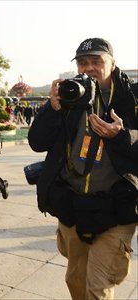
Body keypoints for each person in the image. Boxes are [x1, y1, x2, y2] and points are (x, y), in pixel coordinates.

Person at [28, 37, 137, 299]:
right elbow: (37, 142)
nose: (88, 68)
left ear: (112, 63)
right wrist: (52, 110)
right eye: (82, 63)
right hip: (73, 207)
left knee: (97, 287)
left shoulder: (131, 97)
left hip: (115, 208)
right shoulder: (70, 96)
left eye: (96, 61)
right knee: (75, 280)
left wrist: (122, 136)